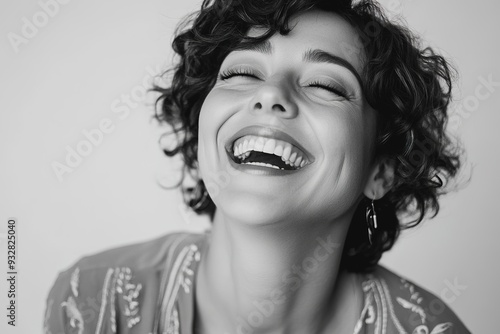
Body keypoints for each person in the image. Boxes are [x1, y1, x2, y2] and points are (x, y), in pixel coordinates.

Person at [44, 0, 471, 333]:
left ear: (381, 168)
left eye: (324, 83)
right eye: (242, 72)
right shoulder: (91, 299)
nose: (270, 95)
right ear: (201, 132)